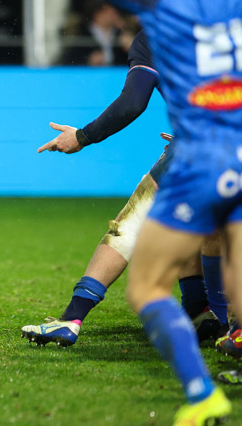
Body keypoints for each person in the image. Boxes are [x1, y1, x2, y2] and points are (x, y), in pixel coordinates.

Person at [0, 0, 239, 425]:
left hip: (201, 156)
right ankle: (227, 331)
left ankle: (200, 386)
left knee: (146, 280)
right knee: (226, 251)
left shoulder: (157, 3)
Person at [22, 29, 226, 347]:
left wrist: (82, 136)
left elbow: (132, 102)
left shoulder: (156, 36)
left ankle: (71, 319)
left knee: (129, 227)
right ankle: (217, 322)